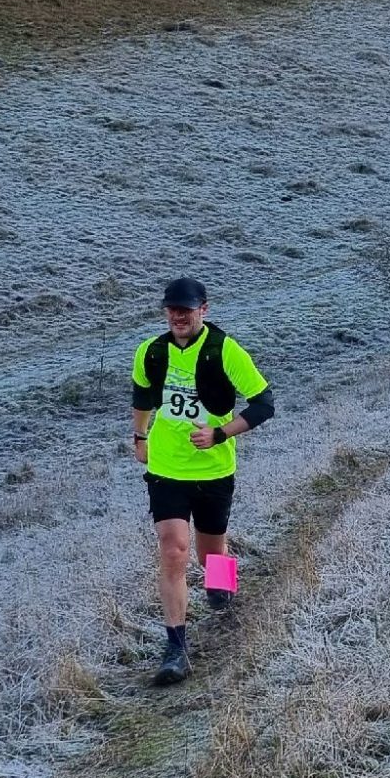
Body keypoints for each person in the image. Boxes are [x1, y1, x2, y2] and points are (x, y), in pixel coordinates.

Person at [130, 276, 274, 684]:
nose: (177, 315)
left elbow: (265, 404)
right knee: (173, 550)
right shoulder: (150, 352)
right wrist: (139, 436)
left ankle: (223, 590)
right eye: (171, 309)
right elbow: (142, 397)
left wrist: (219, 434)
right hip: (166, 468)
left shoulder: (225, 351)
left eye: (186, 309)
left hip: (213, 469)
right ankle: (175, 648)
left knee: (211, 554)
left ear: (203, 310)